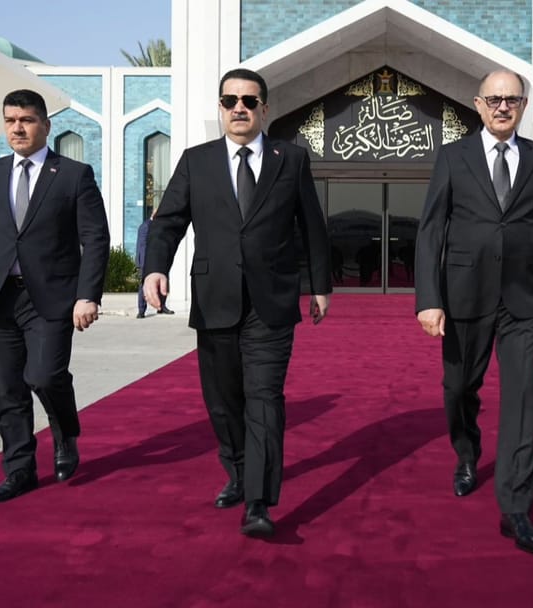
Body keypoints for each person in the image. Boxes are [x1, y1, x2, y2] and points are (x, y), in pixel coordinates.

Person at [142, 68, 332, 538]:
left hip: (272, 302)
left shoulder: (291, 159)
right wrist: (155, 268)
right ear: (221, 108)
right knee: (224, 401)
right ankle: (238, 470)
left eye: (249, 101)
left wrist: (320, 285)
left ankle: (258, 502)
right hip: (216, 298)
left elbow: (311, 224)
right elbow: (168, 222)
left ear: (264, 108)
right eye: (230, 101)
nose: (239, 108)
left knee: (264, 399)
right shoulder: (196, 161)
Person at [415, 69, 533, 556]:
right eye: (495, 99)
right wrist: (429, 298)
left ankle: (516, 506)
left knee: (524, 399)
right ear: (478, 104)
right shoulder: (452, 156)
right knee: (459, 387)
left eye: (512, 99)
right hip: (464, 295)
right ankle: (466, 452)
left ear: (523, 106)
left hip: (526, 299)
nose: (503, 107)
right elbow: (431, 229)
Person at [0, 89, 110, 504]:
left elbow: (95, 238)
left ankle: (65, 430)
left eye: (27, 120)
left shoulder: (73, 175)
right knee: (6, 390)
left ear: (45, 126)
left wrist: (88, 295)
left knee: (45, 376)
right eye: (10, 120)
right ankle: (19, 470)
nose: (17, 128)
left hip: (51, 299)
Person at [134, 209, 173, 318]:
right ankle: (141, 310)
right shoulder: (145, 226)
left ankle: (161, 306)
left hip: (160, 260)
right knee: (143, 285)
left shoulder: (159, 227)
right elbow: (143, 246)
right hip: (146, 261)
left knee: (164, 282)